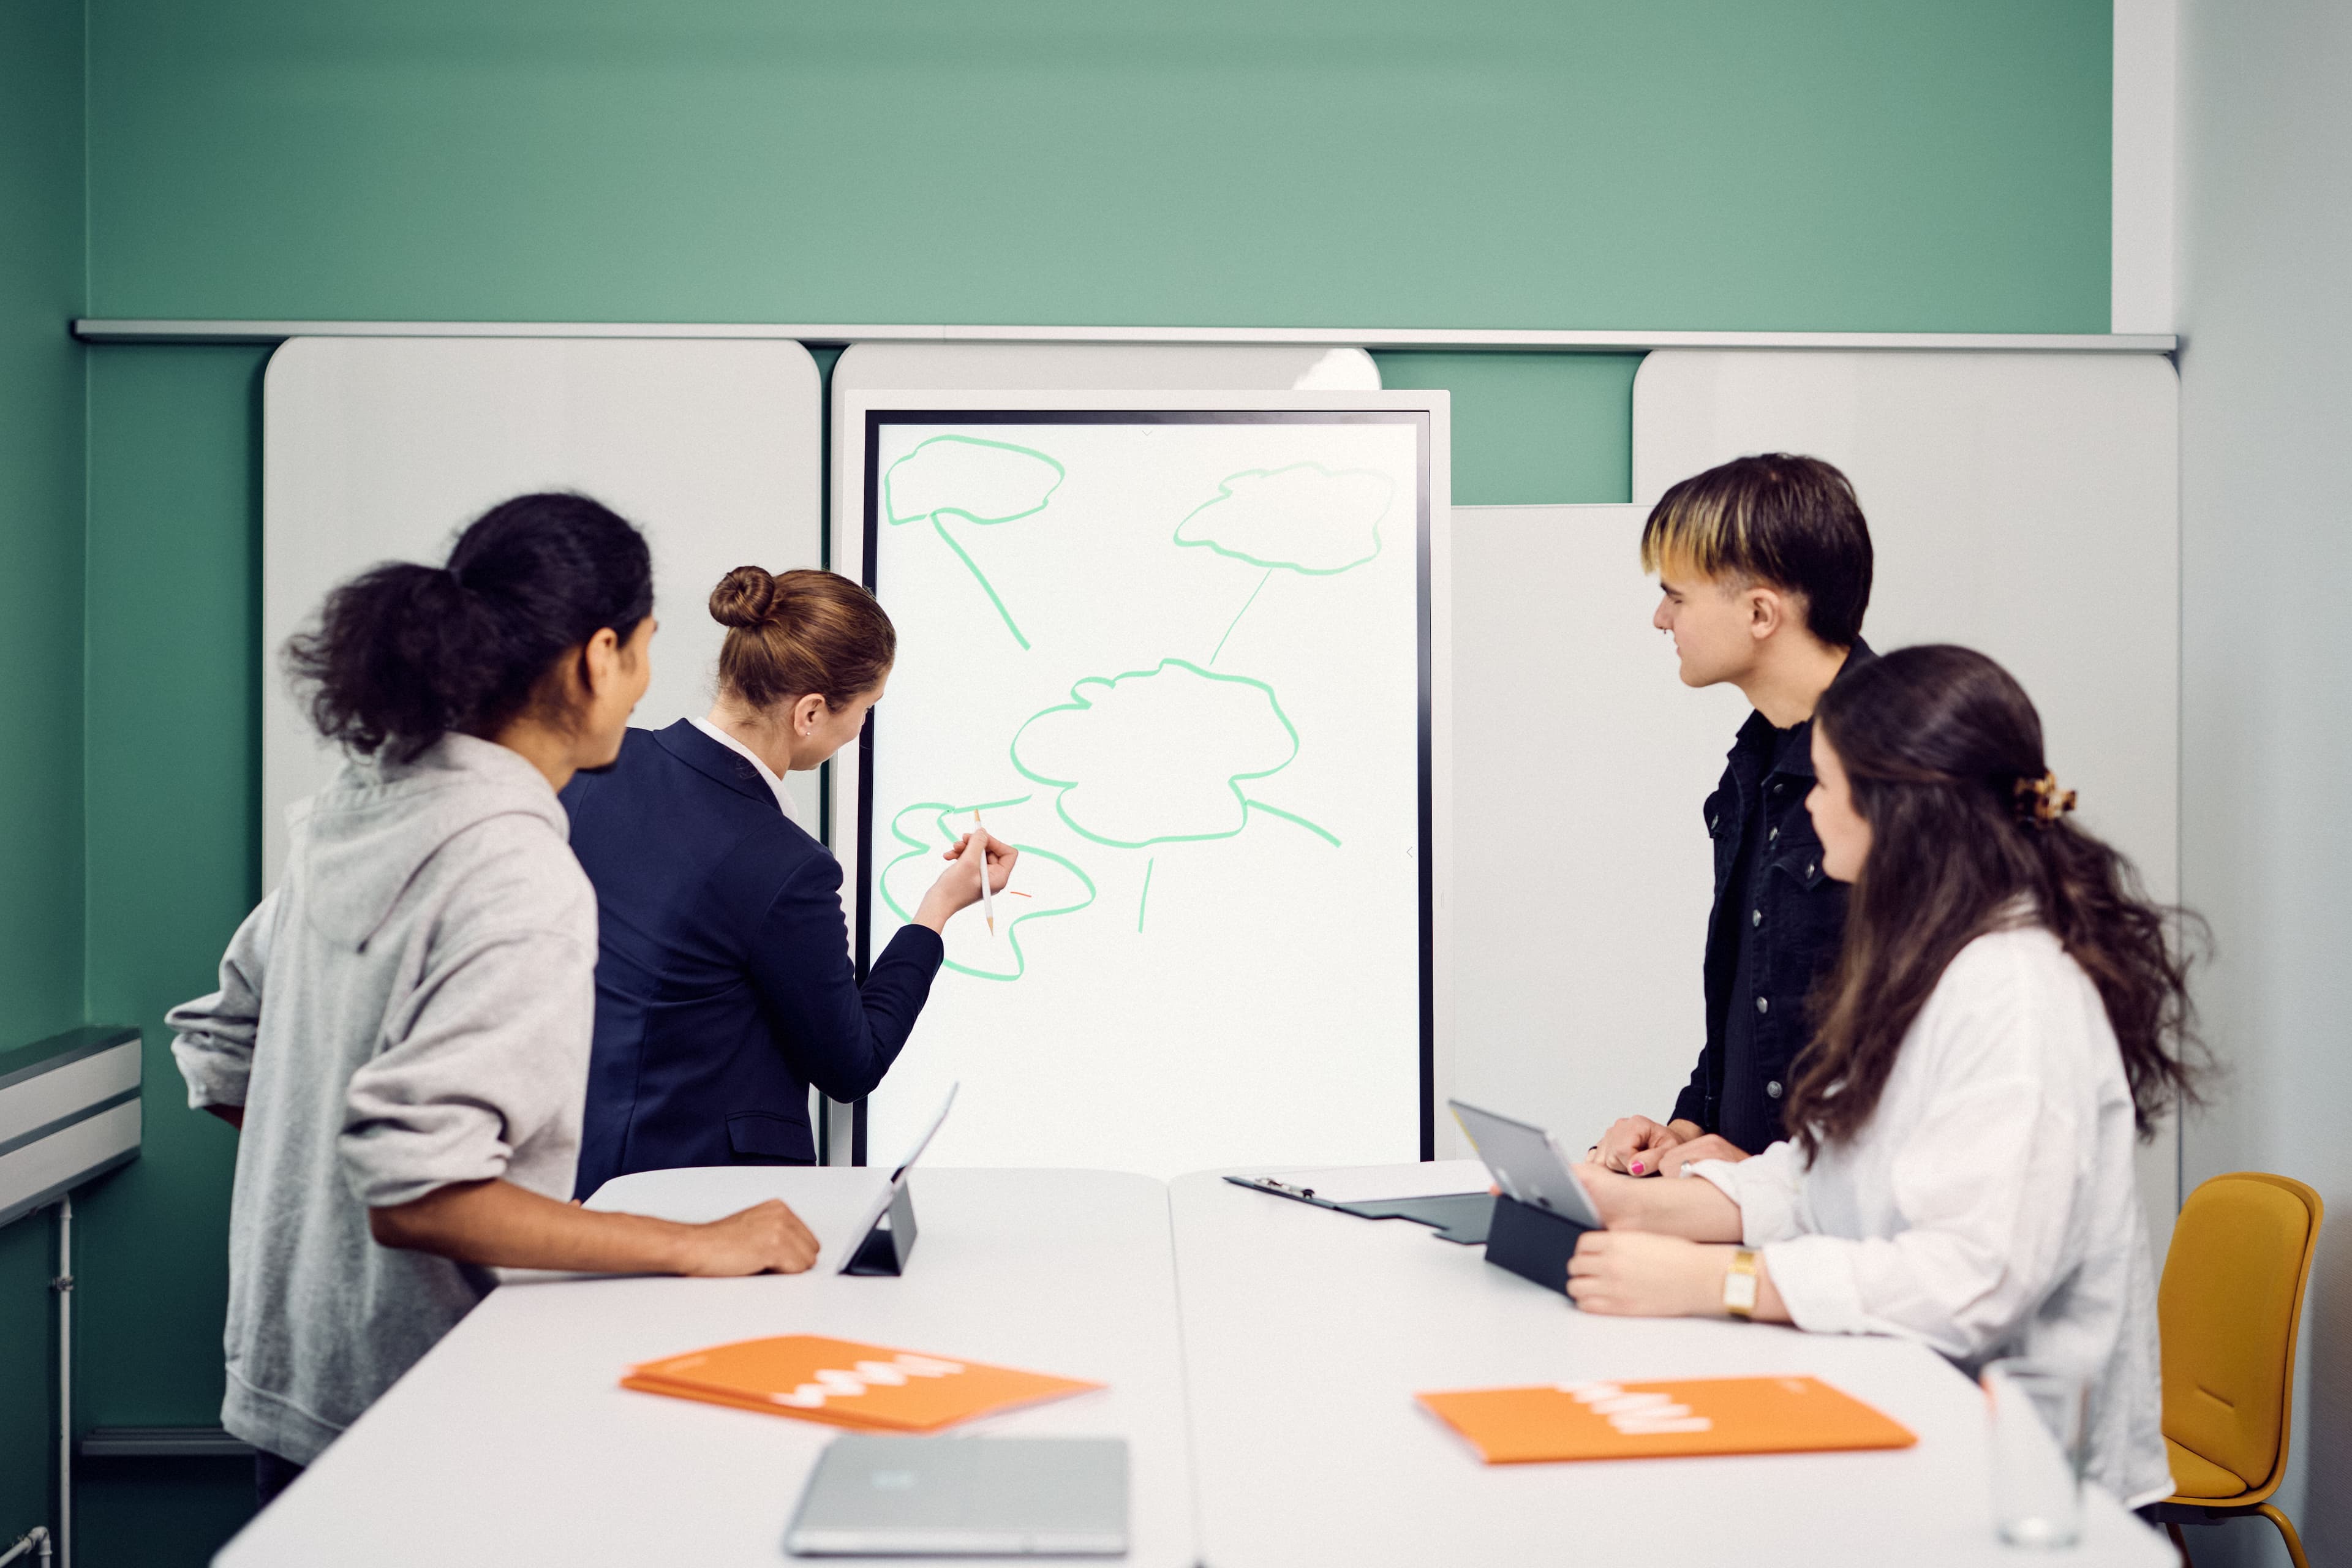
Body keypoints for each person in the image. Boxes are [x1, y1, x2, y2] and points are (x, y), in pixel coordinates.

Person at [168, 494, 824, 1507]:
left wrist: (335, 1188)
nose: (645, 684)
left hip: (290, 1377)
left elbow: (223, 1046)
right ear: (599, 658)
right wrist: (698, 1244)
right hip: (424, 1406)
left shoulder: (362, 803)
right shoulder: (515, 869)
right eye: (645, 651)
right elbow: (424, 1194)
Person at [1564, 644, 2199, 1509]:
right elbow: (1827, 1173)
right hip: (1926, 1435)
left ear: (1895, 810)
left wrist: (1721, 1283)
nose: (1812, 807)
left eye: (1825, 785)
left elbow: (1970, 1280)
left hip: (2040, 1500)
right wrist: (1632, 1205)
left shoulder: (2015, 992)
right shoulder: (1922, 958)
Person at [562, 564, 1010, 1194]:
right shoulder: (784, 862)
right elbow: (853, 1063)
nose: (860, 730)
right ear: (810, 712)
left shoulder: (597, 768)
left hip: (574, 1172)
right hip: (703, 1201)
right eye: (866, 709)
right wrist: (937, 910)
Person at [1593, 454, 1875, 1178]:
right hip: (1757, 1202)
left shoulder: (1891, 771)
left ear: (1759, 613)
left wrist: (1762, 1168)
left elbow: (1899, 1049)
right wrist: (1691, 1125)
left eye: (1676, 597)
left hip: (1834, 1223)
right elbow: (1765, 995)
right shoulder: (1755, 760)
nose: (1661, 619)